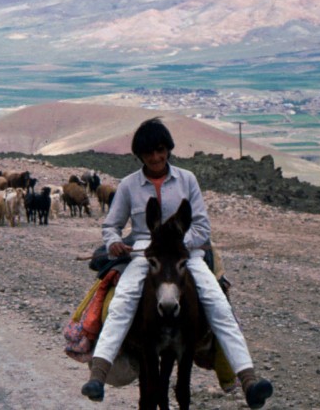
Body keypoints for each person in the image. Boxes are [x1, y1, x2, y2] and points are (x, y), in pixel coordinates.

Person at [81, 118, 273, 409]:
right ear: (140, 156)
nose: (156, 158)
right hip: (146, 250)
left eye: (161, 151)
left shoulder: (187, 179)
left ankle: (248, 379)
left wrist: (180, 243)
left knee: (217, 301)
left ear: (168, 149)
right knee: (122, 300)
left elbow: (202, 226)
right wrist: (113, 243)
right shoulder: (130, 185)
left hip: (186, 250)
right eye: (149, 154)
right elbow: (111, 226)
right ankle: (99, 373)